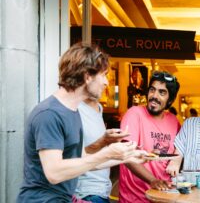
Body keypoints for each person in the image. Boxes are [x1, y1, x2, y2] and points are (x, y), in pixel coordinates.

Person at [17, 43, 146, 203]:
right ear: (87, 76)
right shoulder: (49, 114)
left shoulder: (73, 110)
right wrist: (108, 152)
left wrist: (127, 157)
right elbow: (54, 173)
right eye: (104, 75)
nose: (106, 82)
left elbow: (82, 160)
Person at [119, 71, 181, 202]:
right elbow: (126, 156)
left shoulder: (174, 121)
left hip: (165, 197)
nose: (154, 96)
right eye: (152, 90)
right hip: (135, 199)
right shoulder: (134, 114)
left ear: (170, 99)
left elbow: (182, 148)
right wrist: (153, 180)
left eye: (162, 92)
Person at [74, 98, 129, 202]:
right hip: (88, 193)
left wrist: (129, 156)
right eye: (102, 80)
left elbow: (97, 157)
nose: (106, 82)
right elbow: (77, 158)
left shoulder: (98, 107)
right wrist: (104, 142)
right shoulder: (75, 108)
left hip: (102, 191)